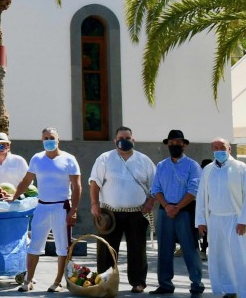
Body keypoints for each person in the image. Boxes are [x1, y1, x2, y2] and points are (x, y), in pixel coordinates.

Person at [13, 127, 81, 292]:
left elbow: (77, 186)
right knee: (34, 244)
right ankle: (28, 280)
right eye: (45, 138)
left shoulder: (69, 159)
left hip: (61, 207)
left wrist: (73, 210)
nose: (49, 140)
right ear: (42, 140)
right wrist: (13, 197)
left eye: (51, 137)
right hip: (42, 206)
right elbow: (27, 180)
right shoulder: (37, 159)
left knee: (62, 246)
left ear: (58, 140)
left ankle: (58, 282)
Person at [89, 125, 156, 293]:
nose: (124, 141)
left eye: (127, 138)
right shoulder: (104, 158)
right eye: (120, 139)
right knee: (106, 250)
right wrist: (94, 204)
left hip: (137, 213)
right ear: (115, 141)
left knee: (137, 249)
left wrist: (149, 203)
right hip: (109, 213)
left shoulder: (144, 160)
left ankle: (138, 282)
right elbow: (94, 182)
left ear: (133, 140)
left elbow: (156, 185)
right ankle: (105, 282)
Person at [195, 138, 246, 298]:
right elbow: (202, 195)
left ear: (229, 149)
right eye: (215, 148)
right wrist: (201, 220)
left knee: (241, 257)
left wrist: (244, 220)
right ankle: (229, 289)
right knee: (219, 256)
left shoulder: (240, 168)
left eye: (222, 147)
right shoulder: (208, 169)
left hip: (235, 219)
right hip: (215, 219)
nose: (219, 150)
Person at [150, 129, 204, 296]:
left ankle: (197, 284)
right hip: (165, 211)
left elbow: (194, 190)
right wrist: (167, 206)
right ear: (167, 144)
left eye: (178, 142)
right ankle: (165, 284)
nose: (174, 145)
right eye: (171, 143)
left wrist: (177, 207)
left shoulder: (193, 166)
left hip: (185, 211)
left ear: (184, 145)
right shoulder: (161, 165)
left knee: (190, 248)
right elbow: (156, 189)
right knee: (164, 248)